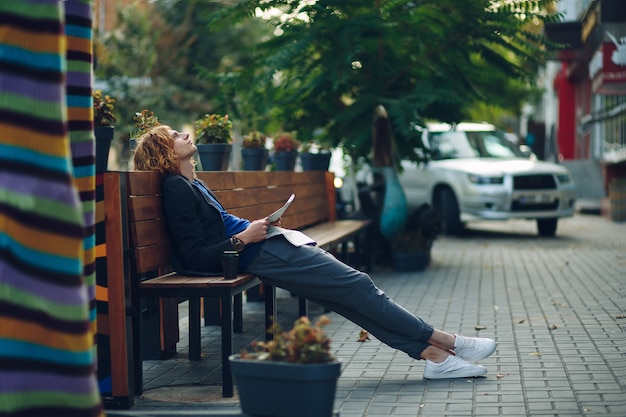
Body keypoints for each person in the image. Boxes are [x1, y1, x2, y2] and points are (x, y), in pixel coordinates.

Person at [133, 125, 497, 379]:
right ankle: (447, 342)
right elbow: (194, 256)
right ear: (165, 152)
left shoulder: (191, 182)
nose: (184, 135)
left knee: (348, 296)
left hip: (264, 245)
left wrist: (258, 227)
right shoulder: (177, 188)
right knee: (357, 285)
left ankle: (434, 356)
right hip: (256, 254)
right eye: (173, 136)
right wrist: (245, 237)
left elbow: (219, 226)